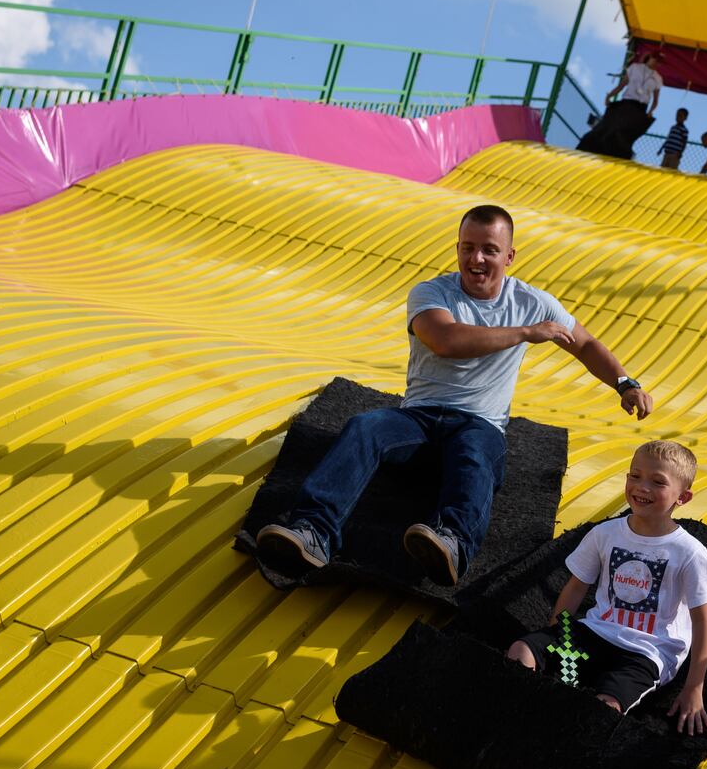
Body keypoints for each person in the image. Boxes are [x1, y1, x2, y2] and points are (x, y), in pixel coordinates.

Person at [257, 205, 656, 585]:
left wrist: (625, 383)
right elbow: (445, 340)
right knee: (366, 426)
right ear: (457, 249)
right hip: (418, 419)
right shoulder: (432, 293)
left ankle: (452, 543)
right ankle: (313, 531)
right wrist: (525, 333)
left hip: (478, 424)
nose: (476, 259)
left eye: (489, 250)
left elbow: (583, 343)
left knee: (475, 453)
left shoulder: (531, 302)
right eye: (468, 248)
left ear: (510, 256)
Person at [507, 440, 707, 732]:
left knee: (604, 706)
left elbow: (703, 624)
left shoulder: (689, 553)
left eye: (657, 482)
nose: (641, 487)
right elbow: (576, 587)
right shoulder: (605, 533)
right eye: (635, 476)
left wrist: (694, 688)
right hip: (596, 632)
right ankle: (520, 712)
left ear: (682, 497)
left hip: (646, 652)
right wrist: (556, 635)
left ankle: (561, 733)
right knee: (521, 650)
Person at [578, 47, 664, 159]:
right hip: (626, 104)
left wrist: (651, 111)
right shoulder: (634, 68)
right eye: (656, 60)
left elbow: (656, 100)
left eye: (659, 62)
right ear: (651, 57)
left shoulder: (658, 78)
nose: (657, 63)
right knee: (610, 128)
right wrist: (609, 96)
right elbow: (621, 86)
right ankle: (593, 149)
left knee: (626, 133)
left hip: (640, 109)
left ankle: (619, 156)